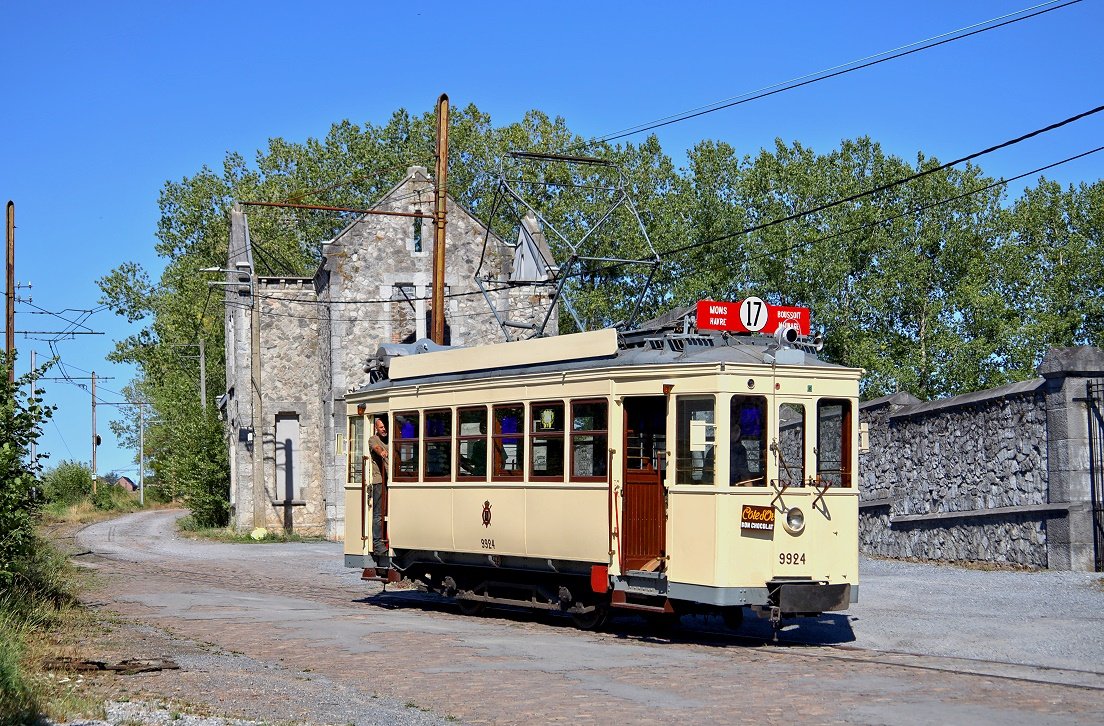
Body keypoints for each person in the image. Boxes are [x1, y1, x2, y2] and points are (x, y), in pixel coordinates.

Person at [367, 417, 389, 560]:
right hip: (379, 481)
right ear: (376, 428)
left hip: (390, 480)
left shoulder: (391, 439)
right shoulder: (373, 439)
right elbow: (377, 448)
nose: (384, 429)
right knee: (378, 513)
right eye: (381, 427)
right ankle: (378, 544)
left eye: (385, 427)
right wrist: (382, 452)